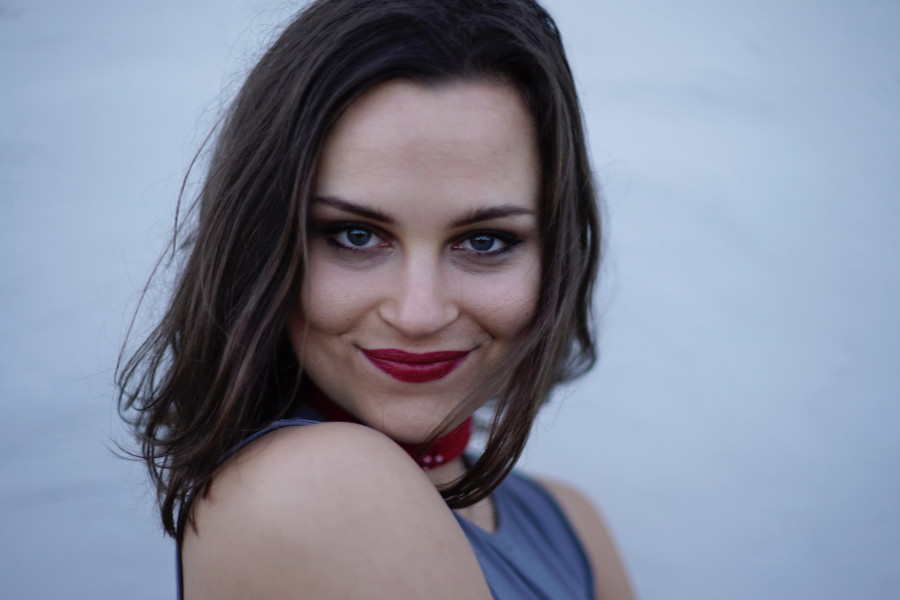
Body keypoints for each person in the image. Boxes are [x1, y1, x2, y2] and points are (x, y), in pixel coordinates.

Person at [118, 0, 635, 597]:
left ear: (556, 257)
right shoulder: (319, 483)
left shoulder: (571, 523)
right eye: (355, 236)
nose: (418, 314)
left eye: (486, 241)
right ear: (262, 246)